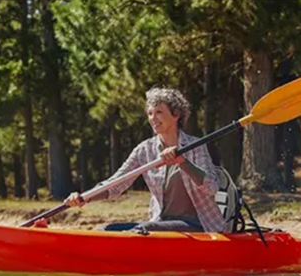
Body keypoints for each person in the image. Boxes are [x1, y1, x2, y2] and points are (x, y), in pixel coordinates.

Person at [63, 87, 227, 234]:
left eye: (159, 112)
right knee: (105, 230)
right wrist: (85, 197)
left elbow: (211, 187)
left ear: (176, 114)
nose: (153, 118)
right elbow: (115, 184)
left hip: (197, 224)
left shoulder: (195, 146)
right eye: (150, 113)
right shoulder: (144, 150)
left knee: (143, 229)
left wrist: (182, 162)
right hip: (161, 222)